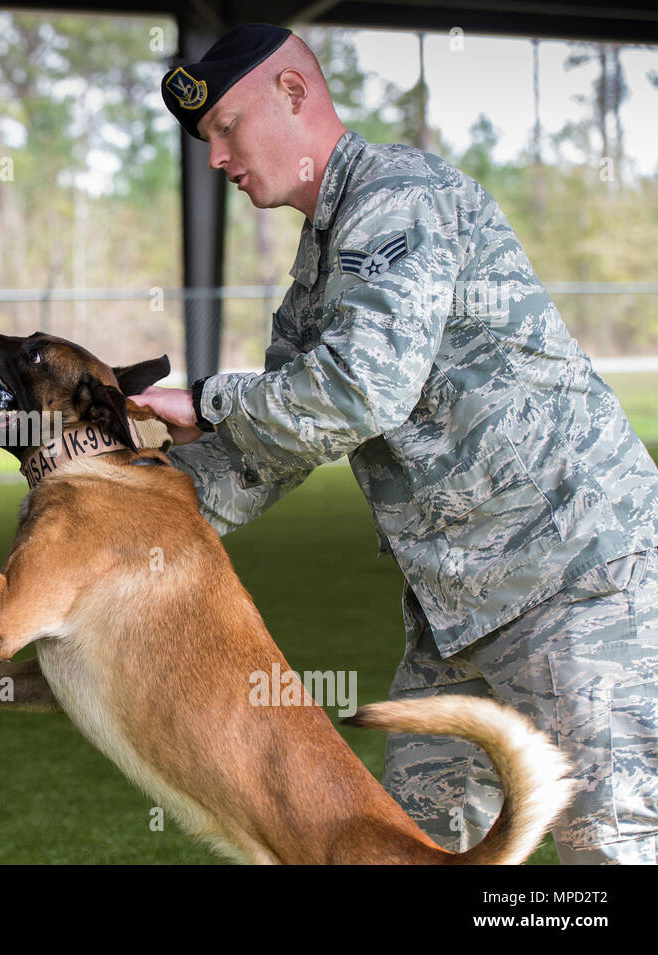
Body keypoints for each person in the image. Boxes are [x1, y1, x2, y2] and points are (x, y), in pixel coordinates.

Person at [132, 23, 658, 864]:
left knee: (610, 849)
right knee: (400, 850)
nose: (216, 158)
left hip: (577, 582)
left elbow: (358, 390)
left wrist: (204, 396)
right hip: (459, 617)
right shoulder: (322, 262)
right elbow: (268, 449)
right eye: (205, 141)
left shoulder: (396, 196)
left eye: (226, 127)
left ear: (294, 94)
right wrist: (126, 500)